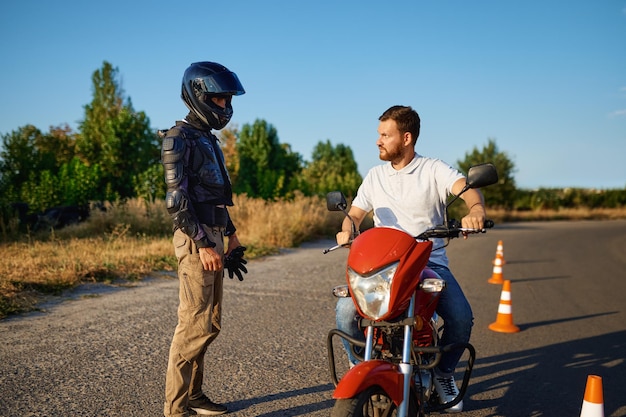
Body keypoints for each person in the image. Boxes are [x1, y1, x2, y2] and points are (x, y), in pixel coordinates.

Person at [335, 105, 486, 413]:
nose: (378, 141)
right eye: (378, 134)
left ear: (406, 138)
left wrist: (476, 212)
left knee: (460, 318)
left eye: (385, 135)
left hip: (429, 264)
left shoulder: (433, 170)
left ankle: (443, 373)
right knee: (345, 312)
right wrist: (346, 228)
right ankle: (359, 367)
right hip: (383, 267)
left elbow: (466, 190)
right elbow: (354, 213)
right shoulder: (375, 176)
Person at [161, 61, 249, 417]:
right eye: (217, 100)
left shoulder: (207, 139)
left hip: (212, 235)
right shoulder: (177, 138)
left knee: (209, 324)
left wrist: (231, 236)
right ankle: (175, 408)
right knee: (192, 325)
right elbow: (177, 202)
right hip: (194, 239)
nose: (224, 107)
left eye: (227, 100)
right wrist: (203, 243)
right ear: (197, 96)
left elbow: (214, 195)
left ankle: (194, 397)